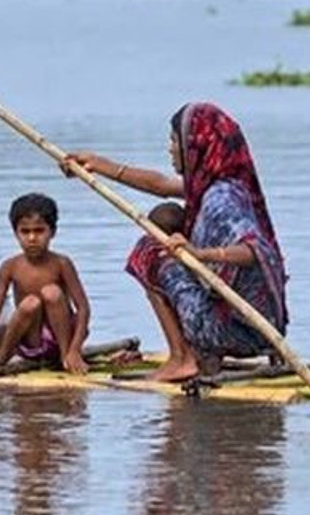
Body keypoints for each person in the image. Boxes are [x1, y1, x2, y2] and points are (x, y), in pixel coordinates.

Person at [65, 102, 288, 382]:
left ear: (196, 145)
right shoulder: (218, 184)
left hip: (236, 331)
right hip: (261, 330)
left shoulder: (221, 198)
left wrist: (200, 254)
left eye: (174, 141)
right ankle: (197, 354)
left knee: (148, 251)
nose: (171, 149)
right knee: (165, 218)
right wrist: (99, 166)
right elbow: (159, 185)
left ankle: (182, 358)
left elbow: (254, 250)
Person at [0, 192, 91, 377]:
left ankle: (65, 358)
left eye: (39, 231)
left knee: (51, 293)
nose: (32, 238)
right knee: (30, 303)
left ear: (52, 232)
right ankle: (3, 355)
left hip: (62, 339)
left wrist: (74, 350)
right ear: (15, 233)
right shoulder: (10, 266)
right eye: (25, 232)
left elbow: (83, 308)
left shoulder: (62, 263)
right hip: (31, 342)